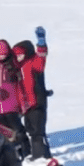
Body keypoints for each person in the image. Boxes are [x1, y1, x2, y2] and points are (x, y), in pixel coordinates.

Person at [19, 31, 52, 159]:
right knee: (29, 128)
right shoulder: (16, 67)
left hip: (37, 103)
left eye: (21, 54)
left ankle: (41, 155)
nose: (19, 57)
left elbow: (41, 57)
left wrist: (41, 43)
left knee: (37, 131)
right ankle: (33, 153)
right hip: (25, 105)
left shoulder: (33, 63)